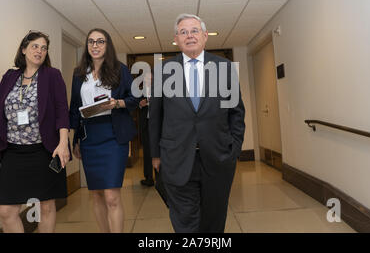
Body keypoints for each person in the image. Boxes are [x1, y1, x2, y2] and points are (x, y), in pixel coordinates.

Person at [149, 14, 246, 233]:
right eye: (183, 32)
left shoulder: (224, 67)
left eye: (194, 31)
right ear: (176, 39)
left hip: (218, 157)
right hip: (176, 157)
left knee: (214, 217)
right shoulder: (163, 71)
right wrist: (155, 154)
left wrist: (235, 149)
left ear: (204, 36)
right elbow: (155, 116)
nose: (189, 36)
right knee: (185, 220)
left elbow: (237, 113)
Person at [0, 30, 71, 233]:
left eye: (44, 48)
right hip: (13, 153)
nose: (39, 51)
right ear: (23, 49)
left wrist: (63, 142)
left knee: (46, 206)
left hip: (44, 151)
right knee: (6, 211)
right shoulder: (10, 76)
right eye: (34, 46)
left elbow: (61, 110)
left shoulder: (52, 75)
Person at [69, 28, 138, 233]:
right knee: (97, 193)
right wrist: (74, 141)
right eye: (91, 42)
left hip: (113, 135)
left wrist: (117, 103)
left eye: (100, 41)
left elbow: (134, 99)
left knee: (111, 195)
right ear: (87, 46)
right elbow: (74, 108)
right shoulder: (78, 73)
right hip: (89, 136)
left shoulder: (120, 69)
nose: (95, 46)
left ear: (108, 45)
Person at [139, 72, 154, 187]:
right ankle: (148, 177)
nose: (147, 80)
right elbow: (135, 104)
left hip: (158, 125)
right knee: (147, 151)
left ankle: (162, 177)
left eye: (149, 78)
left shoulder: (161, 90)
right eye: (145, 79)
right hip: (145, 125)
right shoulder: (140, 91)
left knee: (160, 152)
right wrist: (140, 104)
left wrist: (149, 102)